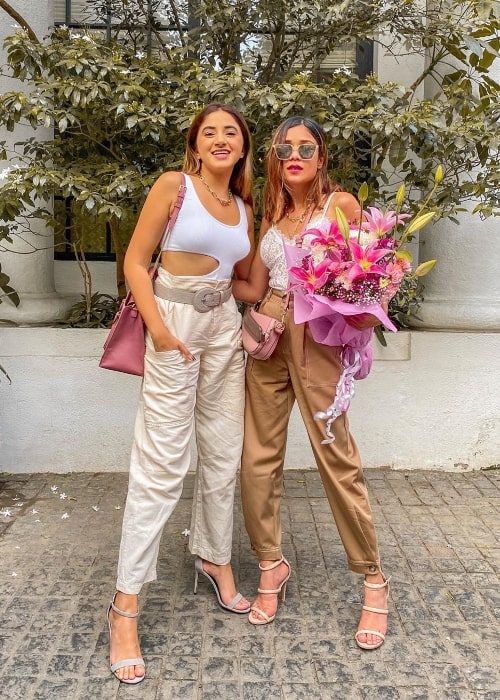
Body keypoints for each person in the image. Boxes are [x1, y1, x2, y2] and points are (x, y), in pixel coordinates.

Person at [107, 103, 255, 684]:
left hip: (223, 329)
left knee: (223, 452)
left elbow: (239, 276)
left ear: (243, 148)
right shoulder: (175, 185)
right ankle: (125, 607)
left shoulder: (243, 206)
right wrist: (162, 334)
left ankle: (214, 556)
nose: (221, 139)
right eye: (209, 132)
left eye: (232, 133)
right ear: (195, 144)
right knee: (163, 465)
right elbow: (136, 262)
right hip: (174, 324)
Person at [232, 116, 390, 650]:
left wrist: (369, 308)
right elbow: (253, 281)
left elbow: (369, 270)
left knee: (334, 453)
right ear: (275, 158)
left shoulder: (340, 205)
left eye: (306, 147)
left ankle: (373, 577)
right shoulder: (272, 213)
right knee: (257, 458)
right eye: (283, 147)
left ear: (322, 158)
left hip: (316, 337)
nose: (293, 153)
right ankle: (271, 564)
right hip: (269, 335)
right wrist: (194, 264)